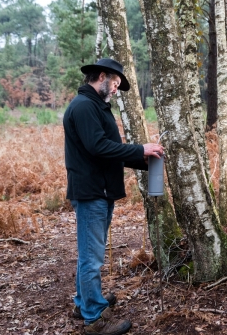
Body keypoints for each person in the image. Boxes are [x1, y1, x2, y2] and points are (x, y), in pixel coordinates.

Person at [63, 58, 164, 335]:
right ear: (103, 76)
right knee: (91, 257)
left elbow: (109, 150)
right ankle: (94, 318)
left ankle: (83, 302)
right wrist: (139, 149)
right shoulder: (84, 107)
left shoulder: (95, 106)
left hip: (100, 190)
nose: (117, 90)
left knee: (91, 253)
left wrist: (145, 159)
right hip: (91, 192)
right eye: (116, 84)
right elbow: (98, 147)